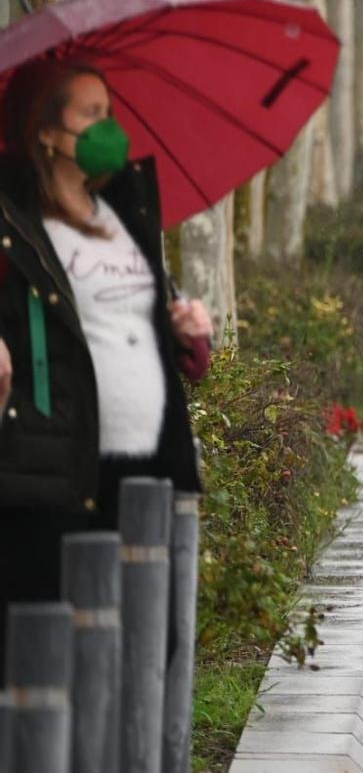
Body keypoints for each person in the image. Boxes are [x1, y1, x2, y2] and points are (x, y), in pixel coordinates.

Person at [0, 61, 216, 651]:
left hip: (149, 465)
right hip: (65, 471)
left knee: (147, 645)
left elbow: (143, 325)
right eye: (90, 115)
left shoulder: (125, 207)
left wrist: (188, 333)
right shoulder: (13, 221)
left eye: (110, 113)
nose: (108, 129)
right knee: (66, 649)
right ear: (46, 131)